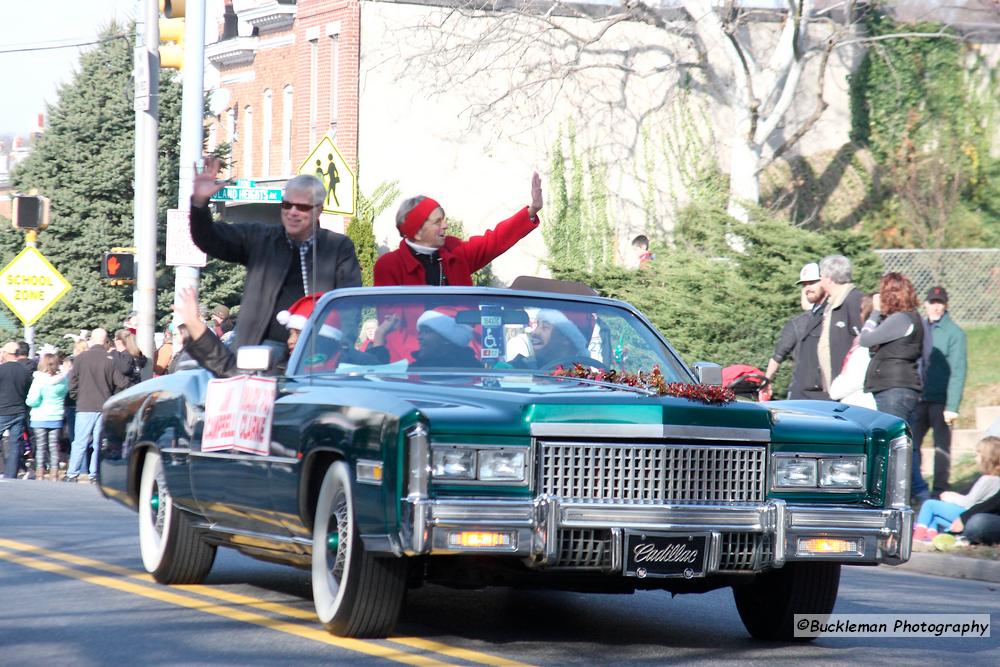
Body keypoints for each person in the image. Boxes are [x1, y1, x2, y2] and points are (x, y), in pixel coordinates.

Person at [189, 156, 362, 351]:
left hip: (316, 349)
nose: (293, 212)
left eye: (302, 207)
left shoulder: (338, 247)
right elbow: (210, 239)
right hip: (259, 350)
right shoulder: (260, 238)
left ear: (318, 210)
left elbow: (349, 303)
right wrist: (199, 205)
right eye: (287, 205)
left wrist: (342, 347)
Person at [373, 174, 542, 361]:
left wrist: (531, 211)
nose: (445, 225)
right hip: (415, 361)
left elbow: (493, 242)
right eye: (437, 222)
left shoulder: (455, 252)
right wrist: (416, 366)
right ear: (417, 230)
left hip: (464, 356)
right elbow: (391, 328)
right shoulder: (389, 266)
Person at [177, 289, 390, 377]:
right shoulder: (278, 368)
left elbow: (387, 370)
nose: (291, 341)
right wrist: (196, 327)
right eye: (291, 334)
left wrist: (379, 339)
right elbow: (229, 368)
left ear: (324, 337)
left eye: (299, 334)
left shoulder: (353, 369)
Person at [859, 273, 924, 490]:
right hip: (902, 388)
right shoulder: (910, 318)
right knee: (905, 445)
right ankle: (917, 492)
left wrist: (875, 312)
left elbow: (865, 339)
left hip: (894, 391)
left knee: (896, 445)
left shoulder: (901, 319)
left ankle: (903, 494)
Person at [911, 286, 967, 501]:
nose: (935, 306)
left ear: (945, 305)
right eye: (932, 302)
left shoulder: (954, 333)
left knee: (941, 447)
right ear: (925, 304)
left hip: (941, 401)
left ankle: (940, 491)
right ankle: (914, 487)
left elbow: (958, 371)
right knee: (912, 444)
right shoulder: (920, 327)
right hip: (918, 398)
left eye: (939, 303)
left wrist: (952, 405)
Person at [65, 328, 130, 483]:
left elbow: (72, 381)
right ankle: (95, 474)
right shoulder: (110, 359)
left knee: (80, 441)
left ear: (92, 340)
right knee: (98, 443)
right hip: (104, 405)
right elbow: (123, 382)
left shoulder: (81, 358)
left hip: (84, 405)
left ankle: (72, 473)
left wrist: (76, 396)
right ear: (106, 341)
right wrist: (112, 396)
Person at [912, 436, 1000, 542]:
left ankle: (918, 535)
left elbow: (969, 503)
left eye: (978, 454)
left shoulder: (987, 479)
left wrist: (952, 497)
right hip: (973, 514)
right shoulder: (994, 479)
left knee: (929, 504)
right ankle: (932, 537)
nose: (975, 458)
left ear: (987, 458)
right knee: (935, 517)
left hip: (969, 513)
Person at [764, 262, 827, 400]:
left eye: (812, 282)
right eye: (804, 284)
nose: (807, 288)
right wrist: (766, 381)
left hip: (829, 392)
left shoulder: (835, 315)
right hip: (802, 393)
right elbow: (778, 355)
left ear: (825, 282)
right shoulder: (797, 323)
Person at [817, 255, 864, 394]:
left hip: (850, 389)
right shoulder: (832, 303)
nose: (820, 281)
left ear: (829, 279)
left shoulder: (853, 300)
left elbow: (862, 341)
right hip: (835, 387)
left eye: (821, 276)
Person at [828, 294, 877, 409]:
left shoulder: (865, 345)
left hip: (861, 405)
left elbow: (855, 378)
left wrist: (835, 389)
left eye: (861, 310)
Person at [26, 349, 69, 481]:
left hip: (39, 417)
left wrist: (35, 402)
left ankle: (40, 472)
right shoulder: (63, 381)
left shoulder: (38, 380)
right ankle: (54, 473)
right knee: (53, 446)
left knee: (40, 447)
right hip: (56, 416)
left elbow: (32, 400)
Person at [511, 309, 592, 369]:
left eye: (545, 327)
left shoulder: (584, 378)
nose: (534, 333)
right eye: (537, 325)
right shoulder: (517, 368)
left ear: (567, 338)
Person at [0, 341, 33, 480]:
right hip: (19, 411)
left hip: (2, 411)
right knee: (15, 444)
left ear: (7, 353)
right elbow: (27, 390)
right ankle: (11, 474)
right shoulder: (24, 371)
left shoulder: (1, 370)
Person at [410, 310, 477, 369]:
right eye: (420, 333)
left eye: (427, 332)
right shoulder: (413, 370)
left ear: (446, 339)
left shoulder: (473, 370)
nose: (420, 337)